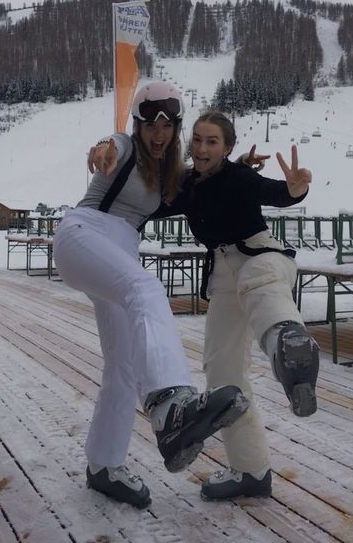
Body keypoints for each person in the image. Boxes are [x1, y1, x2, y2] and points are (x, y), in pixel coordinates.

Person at [53, 83, 250, 509]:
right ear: (138, 126)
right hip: (85, 233)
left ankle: (104, 466)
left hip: (119, 251)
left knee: (123, 365)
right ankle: (171, 402)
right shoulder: (125, 149)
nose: (158, 133)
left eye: (167, 125)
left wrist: (240, 170)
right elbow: (112, 145)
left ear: (175, 128)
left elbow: (209, 181)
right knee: (146, 288)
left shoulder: (170, 174)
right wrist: (102, 148)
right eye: (150, 125)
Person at [154, 110, 319, 501]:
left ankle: (288, 346)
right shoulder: (187, 186)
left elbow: (273, 192)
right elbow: (151, 205)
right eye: (197, 139)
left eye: (212, 141)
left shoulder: (239, 177)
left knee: (261, 288)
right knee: (222, 372)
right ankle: (250, 471)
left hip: (260, 256)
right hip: (223, 276)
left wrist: (295, 190)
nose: (202, 147)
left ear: (227, 148)